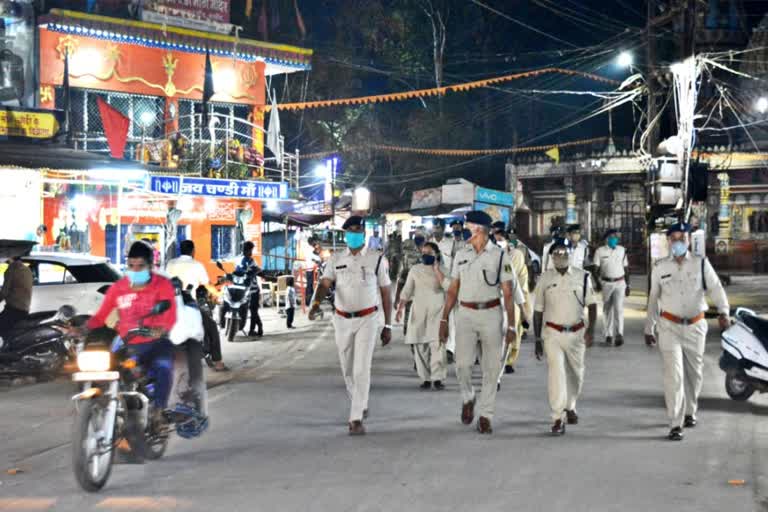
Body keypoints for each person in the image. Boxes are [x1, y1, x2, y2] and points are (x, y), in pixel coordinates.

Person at [439, 211, 523, 434]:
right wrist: (444, 318)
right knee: (462, 365)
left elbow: (507, 293)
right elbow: (453, 289)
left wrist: (512, 325)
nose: (464, 229)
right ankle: (468, 397)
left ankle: (486, 414)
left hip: (491, 314)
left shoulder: (499, 256)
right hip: (465, 314)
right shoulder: (461, 255)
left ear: (480, 230)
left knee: (491, 368)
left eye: (468, 225)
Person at [308, 216, 393, 436]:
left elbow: (385, 291)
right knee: (347, 368)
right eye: (349, 231)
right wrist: (316, 303)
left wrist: (388, 325)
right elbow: (325, 283)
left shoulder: (376, 258)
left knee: (361, 367)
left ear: (363, 233)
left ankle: (355, 418)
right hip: (342, 319)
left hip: (368, 319)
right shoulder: (336, 258)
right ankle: (360, 401)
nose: (352, 234)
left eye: (356, 230)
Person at [645, 223, 729, 441]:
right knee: (674, 376)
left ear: (689, 240)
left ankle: (690, 410)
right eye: (673, 238)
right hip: (669, 326)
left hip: (695, 326)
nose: (678, 242)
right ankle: (675, 422)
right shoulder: (660, 267)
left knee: (694, 373)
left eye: (682, 237)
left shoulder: (701, 264)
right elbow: (653, 298)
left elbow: (716, 288)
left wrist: (724, 312)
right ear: (669, 242)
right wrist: (649, 326)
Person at [87, 241, 177, 413]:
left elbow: (170, 315)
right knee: (103, 370)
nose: (135, 270)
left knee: (164, 367)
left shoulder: (163, 285)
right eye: (131, 266)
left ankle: (158, 411)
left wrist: (162, 329)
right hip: (125, 342)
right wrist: (83, 327)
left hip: (156, 341)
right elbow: (101, 315)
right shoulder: (118, 288)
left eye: (140, 266)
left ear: (150, 266)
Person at [533, 242, 598, 436]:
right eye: (556, 253)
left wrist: (591, 330)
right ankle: (557, 417)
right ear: (551, 257)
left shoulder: (583, 276)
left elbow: (592, 305)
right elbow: (538, 311)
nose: (560, 255)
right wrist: (537, 339)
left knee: (576, 375)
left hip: (576, 334)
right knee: (556, 374)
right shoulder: (545, 278)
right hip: (552, 334)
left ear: (570, 254)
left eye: (564, 252)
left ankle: (570, 405)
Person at [166, 240, 229, 372]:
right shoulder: (196, 265)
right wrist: (217, 292)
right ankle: (218, 362)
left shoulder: (170, 264)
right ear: (193, 251)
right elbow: (207, 284)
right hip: (188, 303)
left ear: (180, 250)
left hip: (171, 304)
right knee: (212, 327)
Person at [396, 242, 450, 390]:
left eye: (429, 253)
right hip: (418, 311)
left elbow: (448, 287)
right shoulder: (415, 270)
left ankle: (437, 378)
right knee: (420, 346)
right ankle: (425, 378)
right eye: (424, 252)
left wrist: (437, 270)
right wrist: (400, 308)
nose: (426, 255)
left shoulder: (444, 270)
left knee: (437, 345)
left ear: (436, 254)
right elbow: (407, 290)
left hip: (437, 311)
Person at [593, 229, 630, 347]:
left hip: (620, 282)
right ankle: (608, 335)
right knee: (607, 310)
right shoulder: (599, 251)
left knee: (619, 309)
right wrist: (597, 283)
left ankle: (619, 334)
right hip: (606, 283)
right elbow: (595, 269)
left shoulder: (622, 250)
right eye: (612, 236)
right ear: (607, 239)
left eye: (616, 236)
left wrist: (628, 284)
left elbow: (626, 269)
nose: (615, 238)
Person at [395, 229, 424, 339]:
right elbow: (402, 277)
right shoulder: (409, 257)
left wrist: (397, 297)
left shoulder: (408, 257)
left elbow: (402, 278)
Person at [0, 247, 33, 338]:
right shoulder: (27, 270)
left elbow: (4, 292)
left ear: (10, 257)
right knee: (8, 334)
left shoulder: (11, 270)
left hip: (13, 310)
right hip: (24, 309)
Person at [237, 241, 264, 338]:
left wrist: (261, 273)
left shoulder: (248, 261)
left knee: (253, 310)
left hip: (251, 289)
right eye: (250, 250)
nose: (250, 252)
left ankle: (253, 329)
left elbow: (257, 271)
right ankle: (258, 326)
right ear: (245, 250)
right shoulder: (244, 261)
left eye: (251, 250)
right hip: (246, 289)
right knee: (252, 310)